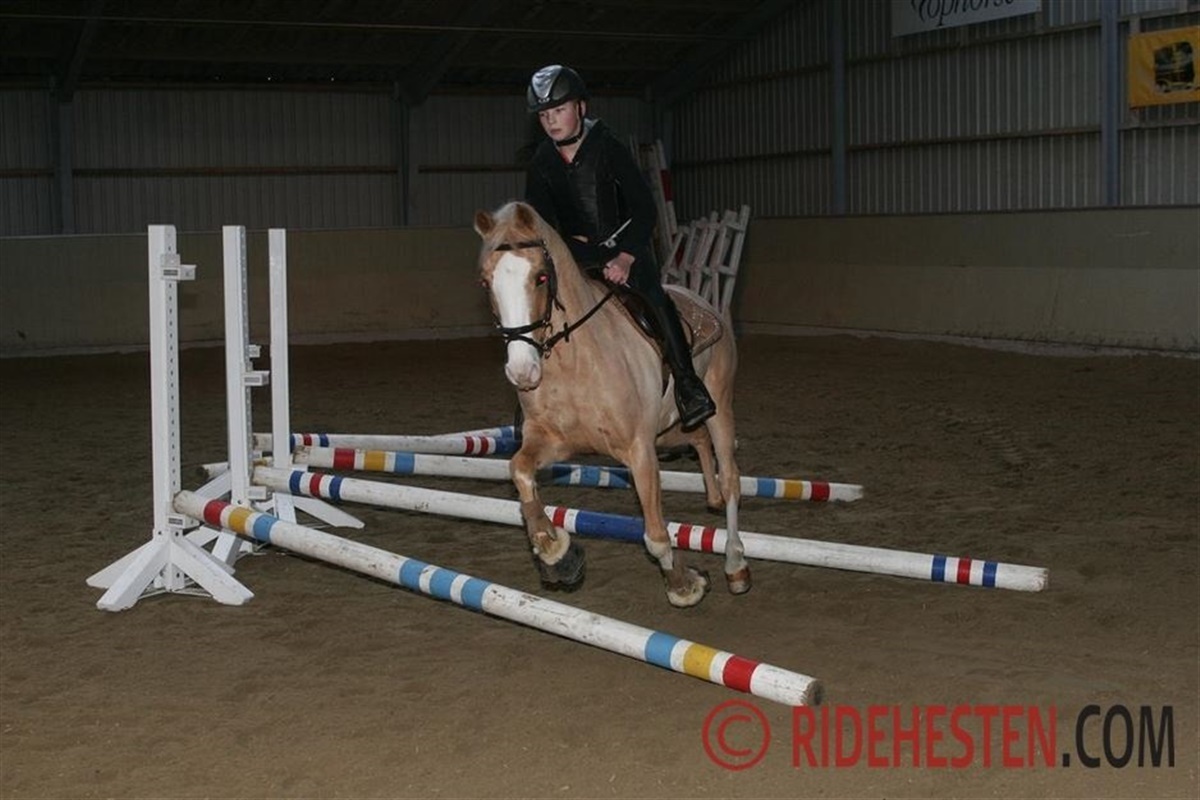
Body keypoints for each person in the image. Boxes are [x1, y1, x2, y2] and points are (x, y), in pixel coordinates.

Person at [523, 64, 716, 431]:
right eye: (545, 115)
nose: (551, 121)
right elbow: (543, 226)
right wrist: (576, 252)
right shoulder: (541, 164)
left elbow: (645, 209)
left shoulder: (609, 148)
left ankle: (688, 385)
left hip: (626, 250)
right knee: (539, 311)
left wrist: (625, 257)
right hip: (576, 259)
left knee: (656, 300)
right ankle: (536, 394)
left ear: (581, 107)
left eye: (559, 110)